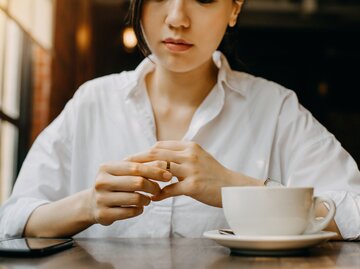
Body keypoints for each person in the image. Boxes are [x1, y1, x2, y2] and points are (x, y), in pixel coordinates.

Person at [1, 0, 359, 240]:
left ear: (234, 8)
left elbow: (355, 208)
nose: (177, 19)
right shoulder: (92, 102)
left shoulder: (276, 108)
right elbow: (12, 220)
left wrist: (238, 190)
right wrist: (88, 206)